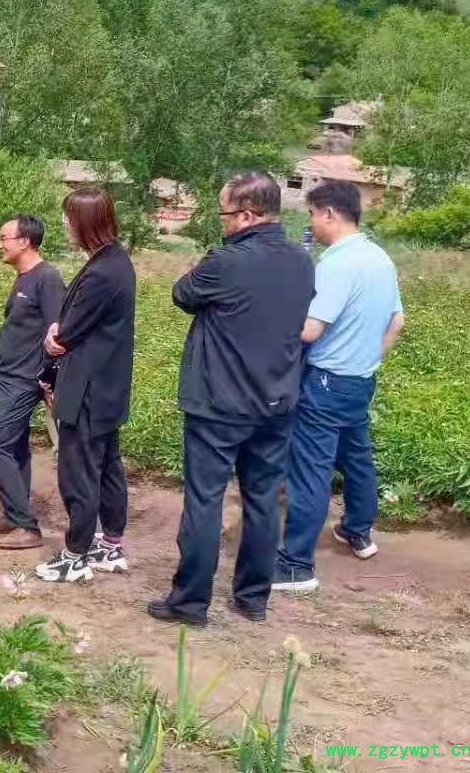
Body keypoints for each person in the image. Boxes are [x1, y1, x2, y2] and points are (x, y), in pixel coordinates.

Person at [148, 173, 315, 626]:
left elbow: (182, 293)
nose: (220, 222)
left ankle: (189, 603)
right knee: (262, 500)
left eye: (223, 213)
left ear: (245, 214)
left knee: (205, 500)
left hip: (220, 404)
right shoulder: (302, 261)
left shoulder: (225, 261)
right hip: (277, 401)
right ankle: (253, 598)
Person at [274, 180, 406, 594]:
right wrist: (367, 359)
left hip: (326, 381)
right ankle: (357, 531)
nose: (311, 223)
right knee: (357, 458)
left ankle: (296, 564)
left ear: (329, 213)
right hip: (359, 380)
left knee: (310, 470)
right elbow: (396, 322)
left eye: (312, 214)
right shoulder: (379, 258)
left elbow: (311, 330)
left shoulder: (336, 263)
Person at [36, 187, 137, 584]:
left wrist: (55, 337)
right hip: (108, 388)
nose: (65, 224)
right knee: (108, 466)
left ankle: (75, 554)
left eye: (69, 217)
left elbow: (66, 334)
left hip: (87, 390)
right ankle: (110, 544)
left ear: (87, 222)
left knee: (79, 471)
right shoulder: (116, 261)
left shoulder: (101, 272)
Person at [0, 216, 66, 549]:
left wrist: (49, 379)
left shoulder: (47, 278)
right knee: (14, 448)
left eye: (4, 238)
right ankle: (14, 512)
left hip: (25, 379)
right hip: (7, 374)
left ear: (25, 241)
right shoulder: (23, 278)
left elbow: (56, 334)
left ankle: (26, 527)